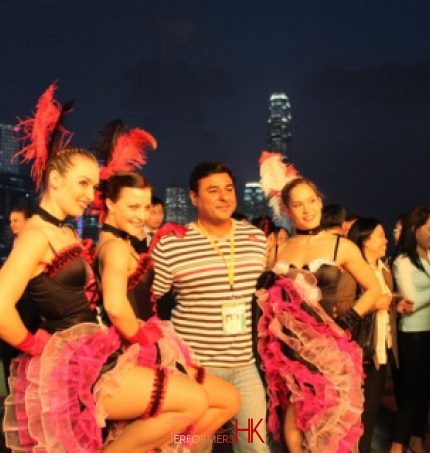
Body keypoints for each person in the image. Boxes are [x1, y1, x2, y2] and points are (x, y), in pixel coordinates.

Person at [1, 85, 231, 453]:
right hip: (73, 365)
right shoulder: (35, 236)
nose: (89, 194)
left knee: (214, 407)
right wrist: (37, 345)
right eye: (83, 183)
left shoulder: (60, 230)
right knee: (194, 403)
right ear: (54, 179)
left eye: (93, 185)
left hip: (94, 352)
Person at [258, 152, 382, 453]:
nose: (307, 209)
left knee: (329, 417)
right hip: (288, 350)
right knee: (293, 410)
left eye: (311, 200)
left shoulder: (341, 245)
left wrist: (346, 322)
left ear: (320, 200)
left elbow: (374, 289)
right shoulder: (278, 249)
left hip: (328, 349)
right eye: (298, 204)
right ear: (287, 210)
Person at [152, 161, 269, 453]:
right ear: (194, 198)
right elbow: (150, 300)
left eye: (229, 189)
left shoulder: (255, 239)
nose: (224, 197)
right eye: (213, 190)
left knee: (253, 445)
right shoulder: (171, 244)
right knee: (192, 446)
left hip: (244, 368)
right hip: (195, 371)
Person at [348, 218, 411, 453]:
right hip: (360, 350)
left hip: (380, 349)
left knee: (371, 409)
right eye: (380, 235)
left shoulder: (383, 268)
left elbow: (385, 304)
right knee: (357, 411)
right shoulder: (353, 270)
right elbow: (346, 308)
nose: (386, 240)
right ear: (365, 240)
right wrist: (375, 304)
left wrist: (396, 306)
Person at [390, 205, 430, 453]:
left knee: (424, 390)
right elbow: (410, 300)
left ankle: (416, 439)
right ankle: (396, 444)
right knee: (411, 393)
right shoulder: (403, 261)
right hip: (413, 334)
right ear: (415, 229)